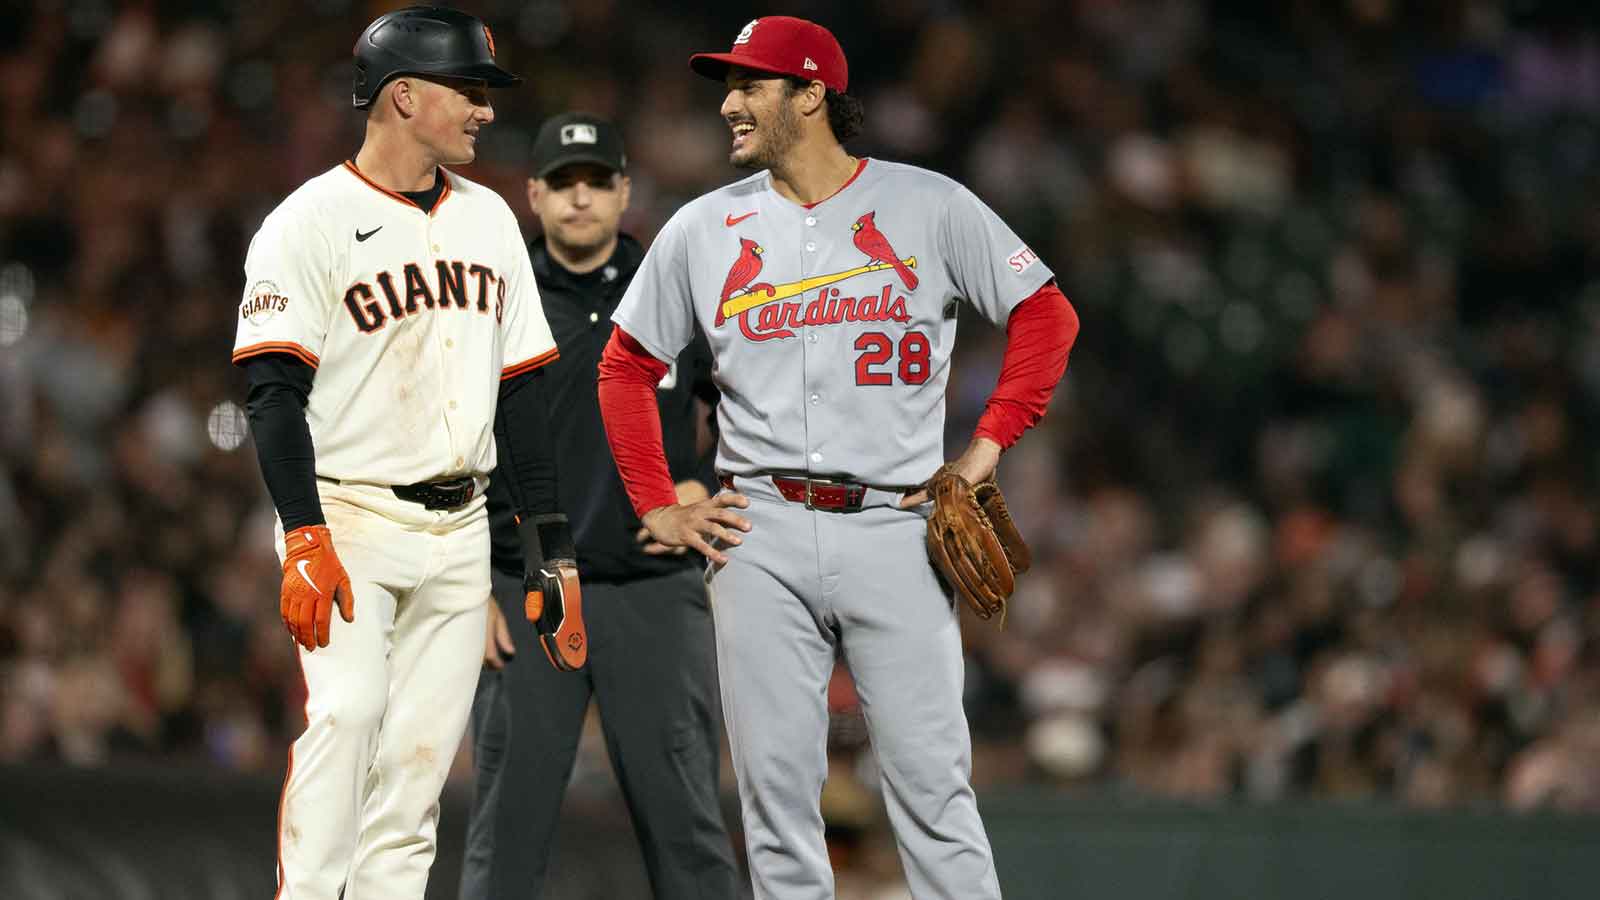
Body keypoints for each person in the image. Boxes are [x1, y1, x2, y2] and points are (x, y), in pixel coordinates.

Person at [596, 16, 1081, 900]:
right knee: (776, 801)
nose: (730, 104)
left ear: (812, 93)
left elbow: (1048, 314)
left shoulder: (926, 204)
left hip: (896, 523)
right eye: (727, 87)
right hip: (759, 529)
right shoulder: (705, 228)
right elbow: (626, 365)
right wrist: (656, 500)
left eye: (750, 85)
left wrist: (984, 448)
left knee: (934, 789)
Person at [231, 8, 577, 898]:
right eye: (468, 91)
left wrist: (549, 537)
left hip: (461, 528)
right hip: (350, 514)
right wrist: (304, 533)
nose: (485, 112)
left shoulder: (492, 220)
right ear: (403, 96)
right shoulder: (307, 222)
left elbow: (525, 392)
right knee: (346, 719)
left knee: (419, 776)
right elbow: (271, 396)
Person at [459, 112, 739, 900]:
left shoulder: (677, 292)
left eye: (595, 182)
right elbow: (457, 443)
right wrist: (471, 581)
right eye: (562, 184)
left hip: (652, 586)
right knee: (507, 831)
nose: (579, 200)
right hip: (527, 587)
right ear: (534, 195)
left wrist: (713, 481)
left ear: (623, 192)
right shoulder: (494, 300)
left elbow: (756, 405)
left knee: (688, 828)